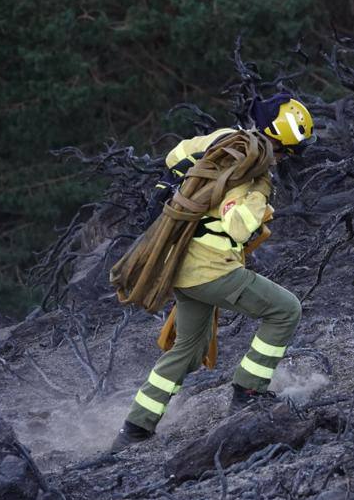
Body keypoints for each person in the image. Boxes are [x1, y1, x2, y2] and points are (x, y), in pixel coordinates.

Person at [110, 94, 315, 453]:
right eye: (286, 153)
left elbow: (176, 155)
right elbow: (239, 228)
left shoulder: (221, 139)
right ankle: (248, 391)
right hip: (211, 270)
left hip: (181, 267)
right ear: (278, 144)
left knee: (188, 348)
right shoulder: (250, 173)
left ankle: (135, 428)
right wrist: (260, 196)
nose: (284, 161)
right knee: (285, 310)